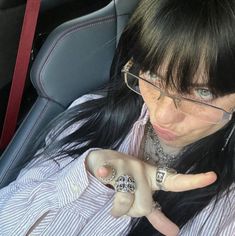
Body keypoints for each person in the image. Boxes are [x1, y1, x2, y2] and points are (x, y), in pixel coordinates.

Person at [1, 0, 235, 235]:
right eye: (153, 75)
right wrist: (89, 175)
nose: (162, 115)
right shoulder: (91, 117)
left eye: (202, 92)